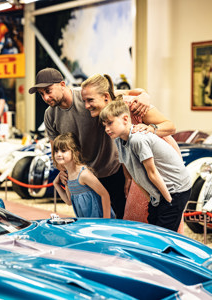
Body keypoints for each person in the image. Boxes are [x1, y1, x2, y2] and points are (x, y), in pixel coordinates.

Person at [28, 68, 149, 219]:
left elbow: (134, 93)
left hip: (112, 170)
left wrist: (145, 96)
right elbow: (56, 152)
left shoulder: (87, 95)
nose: (46, 97)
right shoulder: (49, 115)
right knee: (93, 222)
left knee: (122, 221)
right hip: (85, 178)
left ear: (62, 84)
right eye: (41, 94)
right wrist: (62, 171)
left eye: (48, 91)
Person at [80, 74, 184, 229]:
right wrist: (128, 177)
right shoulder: (109, 117)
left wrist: (150, 129)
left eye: (90, 100)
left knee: (162, 211)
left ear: (106, 97)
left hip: (157, 159)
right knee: (141, 211)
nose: (86, 106)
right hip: (139, 163)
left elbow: (171, 126)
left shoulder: (132, 105)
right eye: (84, 101)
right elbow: (123, 150)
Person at [99, 100, 192, 231]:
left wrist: (168, 201)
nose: (107, 129)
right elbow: (136, 175)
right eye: (104, 125)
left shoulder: (138, 139)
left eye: (110, 123)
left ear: (126, 119)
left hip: (175, 189)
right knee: (153, 226)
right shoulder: (119, 140)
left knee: (164, 233)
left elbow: (152, 173)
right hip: (160, 191)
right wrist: (152, 200)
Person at [52, 133, 115, 219]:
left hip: (99, 220)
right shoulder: (68, 175)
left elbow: (105, 195)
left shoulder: (83, 174)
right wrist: (56, 183)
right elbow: (69, 201)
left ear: (75, 153)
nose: (58, 154)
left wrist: (106, 221)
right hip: (86, 222)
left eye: (63, 151)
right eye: (56, 151)